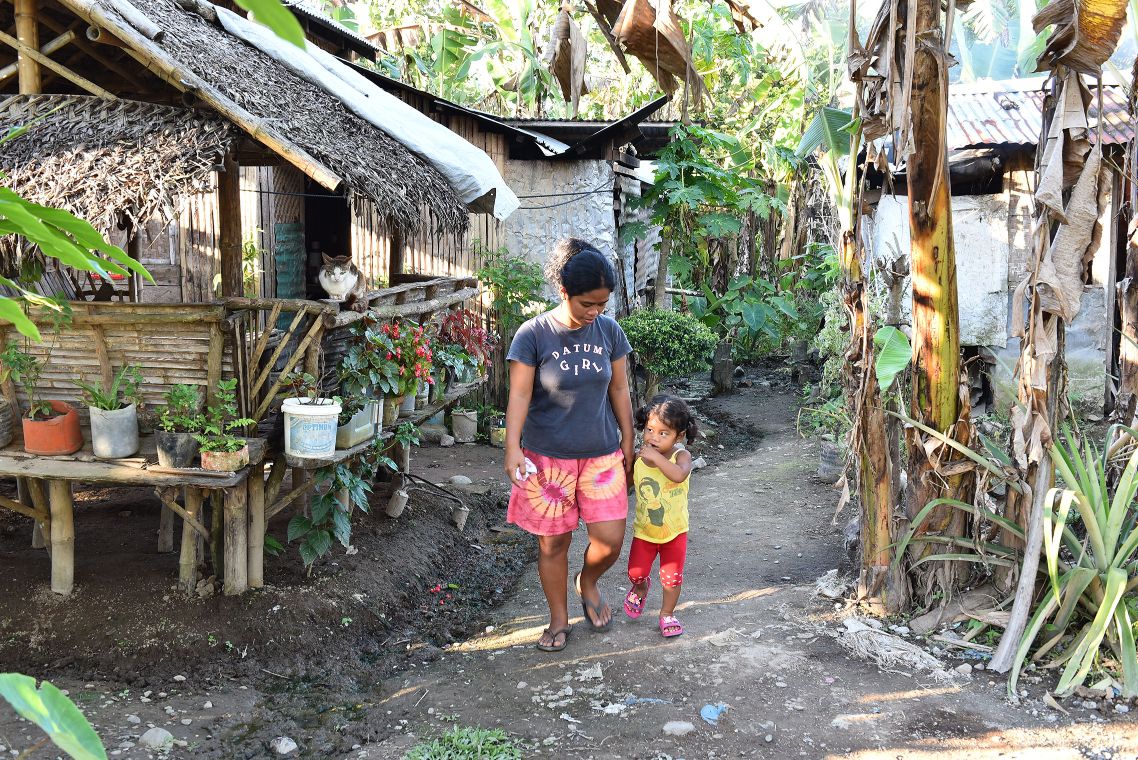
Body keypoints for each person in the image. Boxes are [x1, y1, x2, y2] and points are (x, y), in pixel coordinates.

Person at [504, 238, 635, 652]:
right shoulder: (533, 335)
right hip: (548, 461)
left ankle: (589, 580)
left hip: (602, 456)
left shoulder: (609, 332)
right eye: (587, 304)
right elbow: (520, 396)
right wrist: (512, 448)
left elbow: (619, 388)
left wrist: (628, 441)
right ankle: (558, 620)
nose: (595, 313)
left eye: (602, 304)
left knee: (611, 539)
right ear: (564, 291)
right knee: (553, 543)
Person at [623, 395, 696, 638]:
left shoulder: (681, 457)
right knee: (635, 572)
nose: (653, 437)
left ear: (679, 436)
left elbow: (678, 475)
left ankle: (667, 613)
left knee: (671, 578)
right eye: (650, 430)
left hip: (675, 532)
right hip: (644, 531)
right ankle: (641, 588)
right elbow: (625, 485)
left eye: (663, 433)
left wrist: (655, 458)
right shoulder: (639, 460)